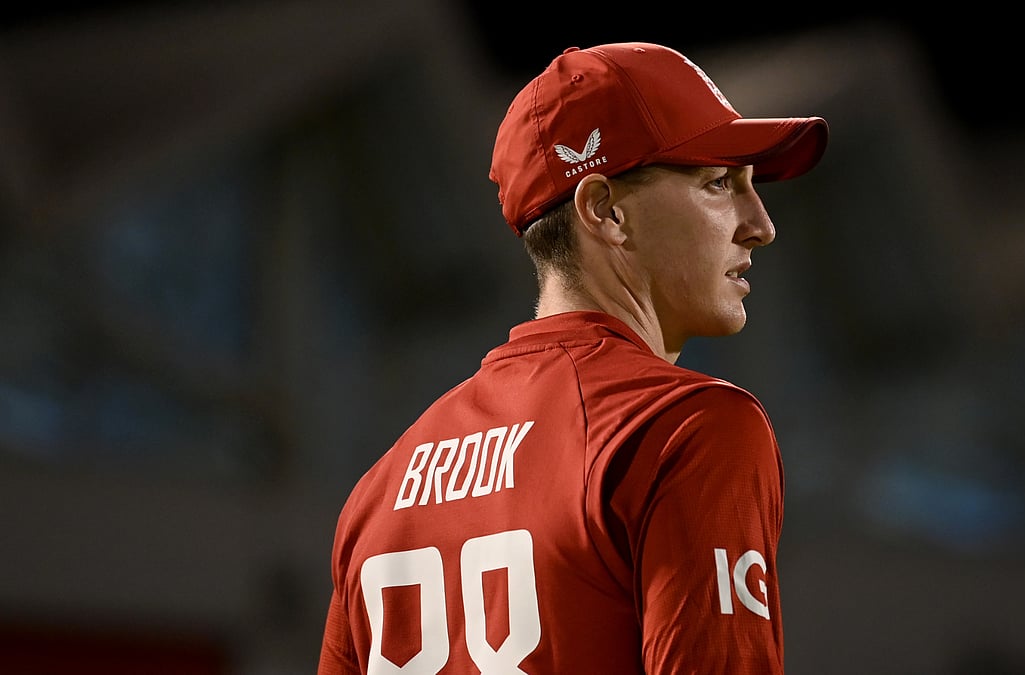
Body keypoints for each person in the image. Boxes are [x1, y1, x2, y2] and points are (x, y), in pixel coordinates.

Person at [317, 41, 828, 674]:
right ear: (606, 211)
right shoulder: (688, 427)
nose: (761, 224)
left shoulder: (381, 489)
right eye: (719, 183)